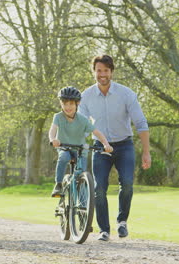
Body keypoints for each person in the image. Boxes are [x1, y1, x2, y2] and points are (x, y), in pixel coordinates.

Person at [79, 55, 151, 241]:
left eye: (106, 70)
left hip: (124, 145)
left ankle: (122, 222)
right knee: (99, 188)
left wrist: (146, 152)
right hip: (100, 147)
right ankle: (104, 230)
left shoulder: (126, 94)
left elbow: (141, 123)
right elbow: (80, 123)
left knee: (127, 183)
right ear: (93, 72)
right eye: (99, 70)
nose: (102, 74)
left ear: (111, 72)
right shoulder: (85, 96)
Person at [49, 86, 113, 197]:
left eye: (71, 104)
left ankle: (83, 203)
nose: (68, 107)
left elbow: (97, 132)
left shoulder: (83, 120)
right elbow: (52, 130)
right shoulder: (58, 117)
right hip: (64, 148)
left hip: (80, 150)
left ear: (77, 104)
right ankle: (58, 184)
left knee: (81, 175)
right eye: (65, 104)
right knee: (63, 157)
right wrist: (53, 139)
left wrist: (106, 144)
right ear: (61, 104)